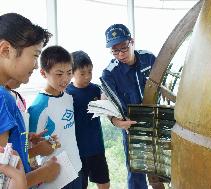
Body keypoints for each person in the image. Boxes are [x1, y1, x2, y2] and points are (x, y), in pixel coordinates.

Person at [0, 13, 60, 188]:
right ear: (5, 50)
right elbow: (4, 181)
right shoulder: (3, 98)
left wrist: (22, 139)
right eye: (35, 55)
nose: (36, 65)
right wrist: (43, 173)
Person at [101, 24, 164, 189]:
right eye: (115, 51)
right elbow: (107, 104)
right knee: (136, 172)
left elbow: (163, 85)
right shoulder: (109, 74)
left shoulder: (149, 58)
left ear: (132, 42)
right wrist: (117, 122)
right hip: (132, 128)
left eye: (123, 48)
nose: (120, 55)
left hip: (156, 122)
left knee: (161, 167)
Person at [28, 45, 82, 189]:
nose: (65, 79)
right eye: (59, 74)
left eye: (69, 72)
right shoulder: (39, 106)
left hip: (76, 168)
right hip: (54, 177)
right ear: (43, 73)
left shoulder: (68, 97)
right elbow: (29, 147)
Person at [66, 50, 110, 189]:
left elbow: (107, 100)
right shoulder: (67, 93)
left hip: (96, 146)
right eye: (82, 73)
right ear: (72, 73)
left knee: (104, 183)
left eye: (90, 72)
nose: (87, 77)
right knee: (81, 185)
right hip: (77, 150)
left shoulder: (96, 89)